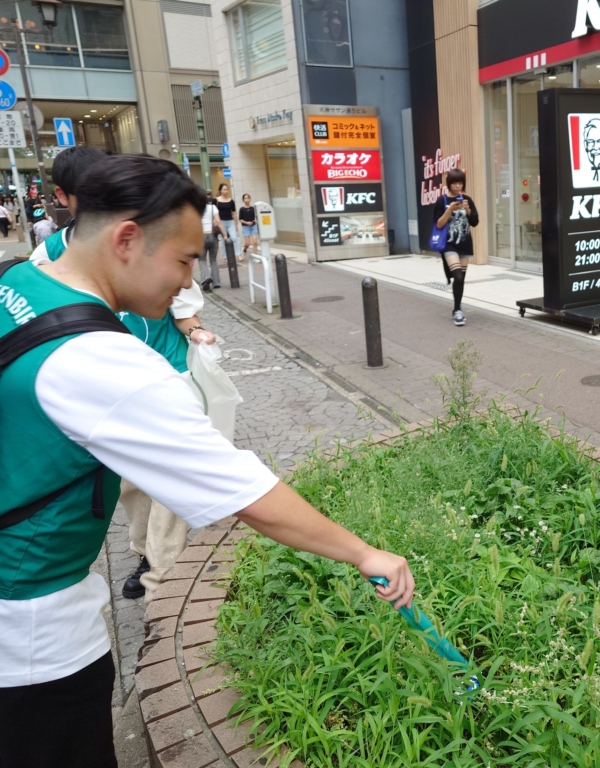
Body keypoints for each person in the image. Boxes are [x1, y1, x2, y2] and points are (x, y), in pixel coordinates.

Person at [0, 154, 415, 768]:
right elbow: (241, 489)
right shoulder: (99, 360)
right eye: (184, 259)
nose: (188, 280)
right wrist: (364, 553)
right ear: (126, 240)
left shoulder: (20, 283)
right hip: (30, 632)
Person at [30, 146, 216, 603]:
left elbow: (183, 306)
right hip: (106, 392)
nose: (187, 277)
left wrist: (196, 330)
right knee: (132, 485)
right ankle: (146, 555)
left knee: (171, 480)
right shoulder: (45, 265)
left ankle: (162, 575)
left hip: (167, 371)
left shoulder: (150, 241)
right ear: (65, 197)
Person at [431, 169, 478, 327]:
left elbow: (475, 222)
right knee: (457, 276)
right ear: (449, 184)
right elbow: (438, 224)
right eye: (454, 183)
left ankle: (457, 309)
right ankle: (457, 310)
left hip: (464, 243)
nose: (458, 186)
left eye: (460, 183)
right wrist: (449, 210)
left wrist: (468, 210)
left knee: (461, 279)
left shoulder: (467, 199)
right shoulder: (442, 200)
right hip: (449, 244)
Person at [200, 190, 226, 291]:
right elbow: (218, 222)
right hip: (213, 236)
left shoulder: (197, 208)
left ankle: (206, 278)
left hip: (202, 236)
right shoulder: (213, 207)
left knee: (202, 260)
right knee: (213, 260)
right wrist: (225, 235)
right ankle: (216, 283)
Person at [215, 183, 241, 264]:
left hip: (230, 221)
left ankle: (238, 254)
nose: (226, 191)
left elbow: (234, 213)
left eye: (227, 189)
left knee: (234, 238)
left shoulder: (231, 201)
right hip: (221, 222)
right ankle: (225, 256)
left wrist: (236, 224)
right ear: (220, 190)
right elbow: (214, 213)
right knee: (224, 240)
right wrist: (216, 222)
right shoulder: (216, 200)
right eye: (224, 189)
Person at [239, 193, 257, 262]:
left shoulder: (253, 208)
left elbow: (256, 217)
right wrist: (247, 222)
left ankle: (255, 257)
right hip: (246, 227)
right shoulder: (242, 209)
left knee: (255, 242)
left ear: (250, 199)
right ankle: (244, 249)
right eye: (245, 198)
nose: (247, 199)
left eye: (248, 198)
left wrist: (255, 220)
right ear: (243, 200)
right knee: (247, 243)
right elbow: (240, 219)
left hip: (253, 226)